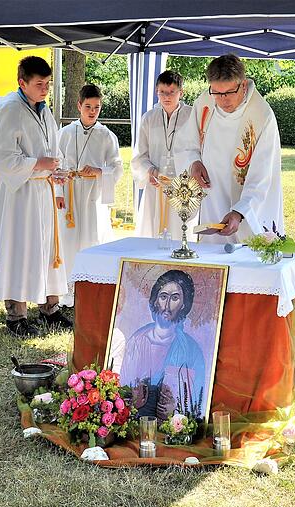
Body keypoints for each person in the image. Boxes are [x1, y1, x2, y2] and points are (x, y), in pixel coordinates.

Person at [0, 56, 72, 337]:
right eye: (39, 84)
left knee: (47, 249)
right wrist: (38, 164)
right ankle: (16, 314)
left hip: (43, 190)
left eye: (48, 83)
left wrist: (55, 172)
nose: (45, 89)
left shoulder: (43, 110)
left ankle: (50, 307)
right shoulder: (10, 109)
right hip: (20, 194)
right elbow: (0, 158)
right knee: (21, 248)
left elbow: (53, 149)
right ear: (22, 83)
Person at [174, 54, 284, 244]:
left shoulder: (262, 115)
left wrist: (240, 211)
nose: (223, 100)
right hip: (212, 199)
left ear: (242, 85)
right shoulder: (205, 102)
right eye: (216, 92)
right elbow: (185, 143)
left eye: (229, 93)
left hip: (247, 206)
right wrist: (194, 163)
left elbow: (263, 174)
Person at [56, 84, 123, 307]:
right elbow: (56, 164)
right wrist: (58, 191)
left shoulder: (107, 136)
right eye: (88, 107)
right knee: (68, 240)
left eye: (97, 107)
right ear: (79, 106)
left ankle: (89, 287)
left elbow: (118, 168)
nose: (92, 111)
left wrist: (98, 171)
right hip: (70, 192)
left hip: (92, 195)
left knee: (91, 239)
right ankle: (66, 288)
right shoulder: (65, 133)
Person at [119, 270, 204, 421]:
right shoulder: (137, 341)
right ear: (155, 300)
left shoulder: (191, 350)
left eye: (175, 298)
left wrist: (177, 408)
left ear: (184, 304)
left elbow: (196, 398)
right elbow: (124, 385)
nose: (167, 305)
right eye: (163, 296)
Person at [132, 71, 193, 240]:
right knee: (151, 235)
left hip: (182, 188)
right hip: (155, 187)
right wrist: (150, 171)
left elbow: (198, 151)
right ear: (156, 92)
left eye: (172, 92)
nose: (167, 97)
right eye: (162, 92)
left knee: (180, 234)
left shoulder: (191, 116)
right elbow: (140, 155)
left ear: (181, 92)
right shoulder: (149, 118)